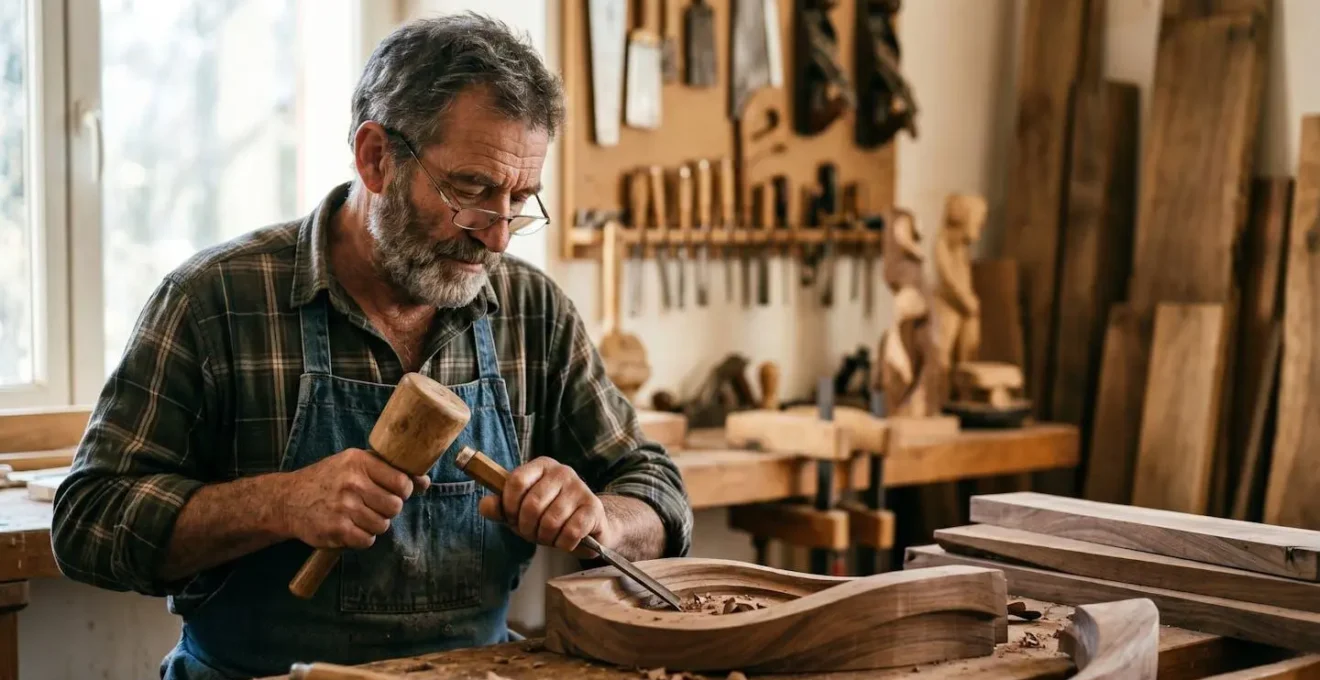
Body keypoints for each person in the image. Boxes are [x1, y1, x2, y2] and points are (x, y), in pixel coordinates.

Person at [50, 13, 693, 680]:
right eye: (471, 190)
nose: (497, 236)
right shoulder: (215, 302)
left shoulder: (532, 312)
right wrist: (278, 503)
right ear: (376, 157)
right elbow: (87, 524)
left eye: (520, 200)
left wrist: (605, 519)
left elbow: (660, 494)